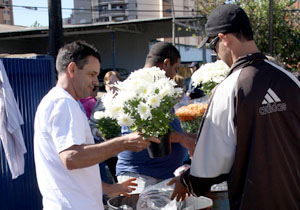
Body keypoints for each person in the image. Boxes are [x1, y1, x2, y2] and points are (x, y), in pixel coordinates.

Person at [168, 4, 300, 210]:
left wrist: (186, 181)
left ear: (224, 39)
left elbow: (209, 165)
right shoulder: (290, 80)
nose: (217, 56)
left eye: (213, 47)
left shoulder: (229, 88)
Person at [33, 40, 160, 210]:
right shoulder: (64, 103)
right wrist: (122, 143)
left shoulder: (56, 101)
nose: (95, 82)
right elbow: (71, 158)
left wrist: (110, 188)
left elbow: (73, 170)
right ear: (72, 69)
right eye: (91, 74)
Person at [116, 41, 196, 194]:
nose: (175, 75)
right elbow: (148, 132)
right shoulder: (142, 84)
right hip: (141, 175)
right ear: (166, 63)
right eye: (175, 68)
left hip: (158, 175)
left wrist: (192, 137)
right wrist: (182, 139)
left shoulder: (156, 84)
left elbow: (165, 128)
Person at [89, 70, 123, 183]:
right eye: (109, 84)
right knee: (115, 180)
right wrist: (100, 133)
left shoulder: (127, 101)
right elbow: (92, 125)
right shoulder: (100, 103)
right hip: (108, 150)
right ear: (105, 85)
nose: (112, 87)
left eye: (115, 83)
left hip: (125, 149)